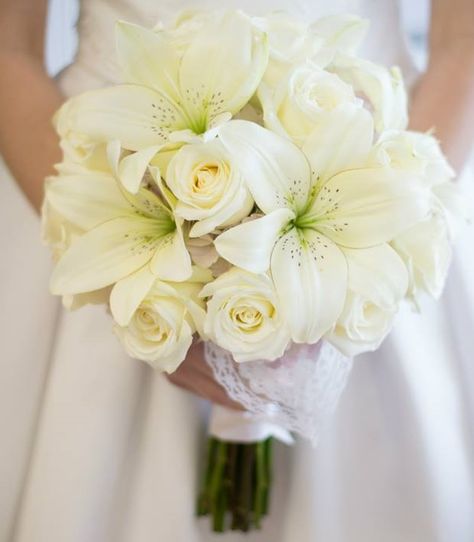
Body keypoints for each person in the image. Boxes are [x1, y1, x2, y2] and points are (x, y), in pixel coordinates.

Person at [0, 0, 473, 541]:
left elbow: (464, 42)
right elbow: (7, 47)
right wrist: (134, 280)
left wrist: (376, 243)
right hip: (103, 188)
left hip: (369, 188)